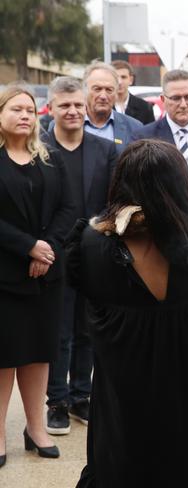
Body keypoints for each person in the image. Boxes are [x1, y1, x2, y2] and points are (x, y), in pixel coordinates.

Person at [67, 139, 188, 487]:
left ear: (120, 182)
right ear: (182, 183)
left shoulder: (91, 245)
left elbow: (87, 293)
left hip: (126, 408)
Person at [0, 85, 75, 467]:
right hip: (4, 276)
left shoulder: (50, 158)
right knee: (4, 358)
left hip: (45, 274)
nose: (25, 115)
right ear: (0, 115)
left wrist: (46, 248)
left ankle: (37, 429)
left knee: (39, 354)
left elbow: (68, 207)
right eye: (16, 109)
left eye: (30, 109)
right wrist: (26, 246)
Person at [41, 77, 118, 436]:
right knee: (59, 331)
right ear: (51, 109)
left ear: (85, 107)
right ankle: (55, 400)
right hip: (51, 253)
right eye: (64, 105)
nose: (72, 111)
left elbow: (115, 202)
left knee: (87, 329)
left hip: (93, 254)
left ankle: (80, 395)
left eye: (77, 105)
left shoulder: (105, 150)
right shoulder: (38, 150)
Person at [52, 61, 142, 155]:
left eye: (109, 90)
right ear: (84, 90)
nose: (103, 96)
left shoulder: (134, 128)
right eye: (97, 89)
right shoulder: (60, 125)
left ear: (116, 93)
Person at [110, 60, 155, 125]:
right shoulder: (103, 105)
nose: (119, 82)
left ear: (131, 80)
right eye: (115, 77)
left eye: (123, 77)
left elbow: (150, 133)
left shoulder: (145, 107)